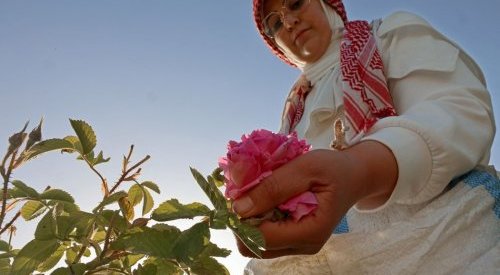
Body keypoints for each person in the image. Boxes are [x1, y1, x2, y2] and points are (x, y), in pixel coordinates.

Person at [232, 0, 499, 274]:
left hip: (444, 246)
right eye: (275, 24)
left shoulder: (387, 35)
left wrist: (361, 170)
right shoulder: (294, 109)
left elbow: (461, 114)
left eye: (297, 4)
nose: (289, 23)